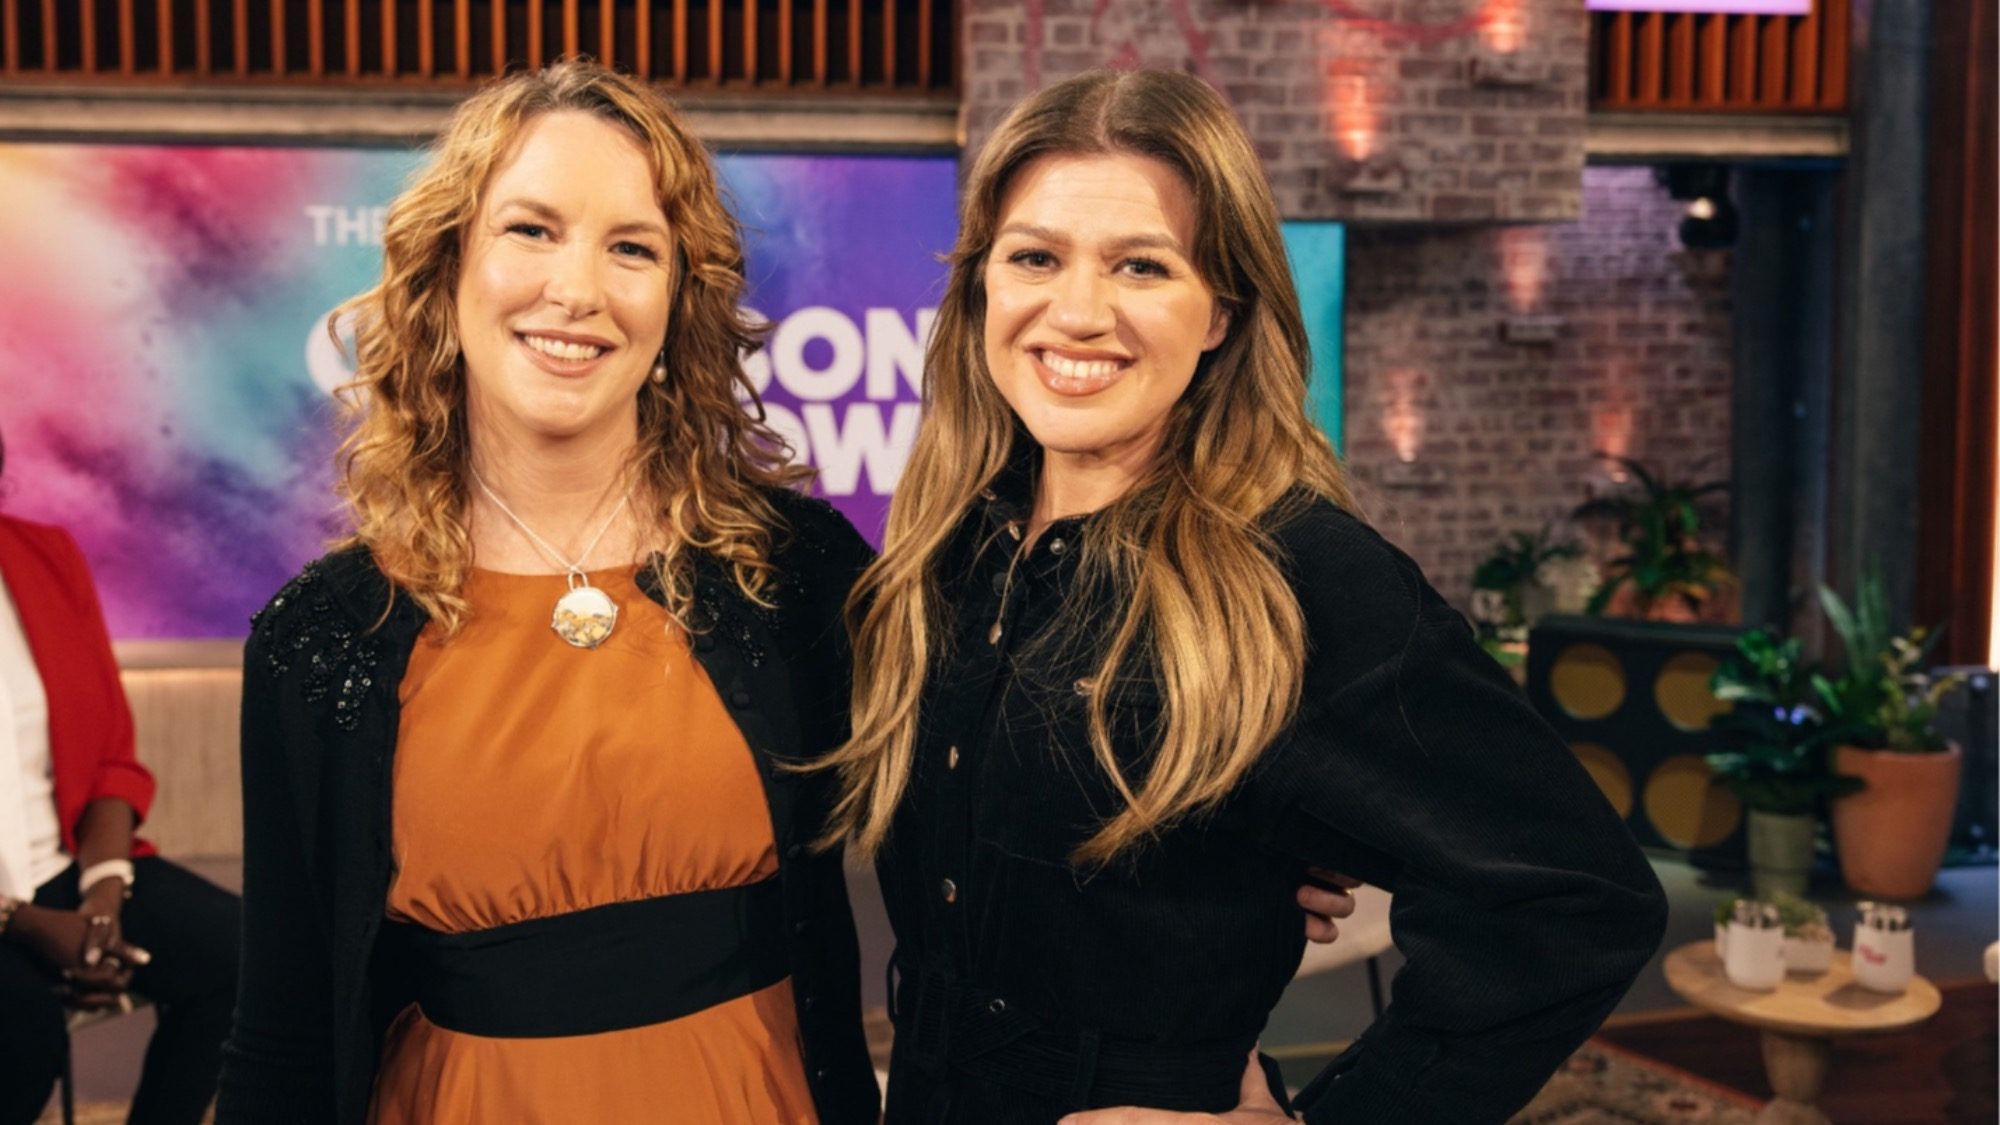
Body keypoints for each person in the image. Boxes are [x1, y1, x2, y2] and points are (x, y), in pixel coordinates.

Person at [822, 69, 1671, 1124]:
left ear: (1220, 309)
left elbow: (1573, 898)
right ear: (982, 284)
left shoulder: (1303, 574)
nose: (1075, 312)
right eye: (1034, 256)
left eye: (1141, 265)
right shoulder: (947, 553)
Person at [214, 62, 880, 1124]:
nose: (577, 289)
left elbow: (984, 875)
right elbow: (282, 1031)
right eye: (531, 230)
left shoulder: (797, 572)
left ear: (678, 298)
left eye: (632, 247)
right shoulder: (323, 636)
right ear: (447, 269)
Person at [0, 428, 243, 1125]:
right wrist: (23, 923)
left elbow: (110, 752)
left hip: (60, 866)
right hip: (13, 910)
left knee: (244, 959)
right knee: (22, 1035)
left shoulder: (44, 556)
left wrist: (102, 901)